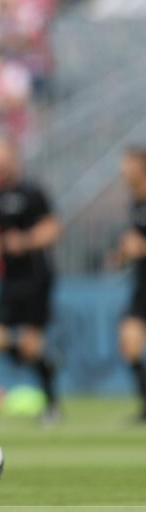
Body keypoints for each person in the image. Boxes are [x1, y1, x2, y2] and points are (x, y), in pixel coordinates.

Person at [0, 137, 62, 424]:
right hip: (9, 278)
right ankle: (45, 363)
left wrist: (25, 241)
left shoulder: (32, 192)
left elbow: (53, 229)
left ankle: (51, 404)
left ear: (13, 159)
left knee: (30, 344)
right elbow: (3, 235)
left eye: (0, 159)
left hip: (35, 276)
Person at [110, 147, 146, 422]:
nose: (122, 171)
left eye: (127, 165)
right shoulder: (135, 203)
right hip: (141, 284)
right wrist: (122, 253)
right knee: (129, 342)